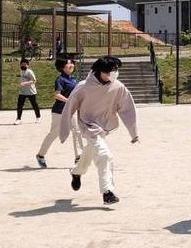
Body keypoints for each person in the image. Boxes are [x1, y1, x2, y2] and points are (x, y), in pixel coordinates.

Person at [61, 56, 139, 205]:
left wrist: (134, 133)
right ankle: (107, 192)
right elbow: (69, 107)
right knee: (104, 155)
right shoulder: (83, 87)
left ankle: (76, 172)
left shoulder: (118, 87)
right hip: (87, 125)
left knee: (91, 150)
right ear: (99, 71)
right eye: (109, 72)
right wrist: (64, 130)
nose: (112, 75)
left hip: (104, 127)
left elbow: (127, 109)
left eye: (115, 71)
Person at [35, 57, 84, 168]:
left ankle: (79, 157)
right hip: (59, 111)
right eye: (68, 63)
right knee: (54, 134)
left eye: (72, 63)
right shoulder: (60, 79)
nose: (71, 65)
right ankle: (40, 155)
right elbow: (57, 94)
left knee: (77, 131)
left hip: (71, 111)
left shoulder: (73, 79)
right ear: (62, 67)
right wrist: (69, 101)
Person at [14, 58, 41, 124]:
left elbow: (34, 81)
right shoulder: (21, 71)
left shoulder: (29, 72)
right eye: (22, 64)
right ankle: (18, 119)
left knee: (34, 104)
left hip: (31, 92)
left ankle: (38, 117)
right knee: (19, 105)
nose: (23, 66)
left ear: (28, 65)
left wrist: (25, 83)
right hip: (22, 92)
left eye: (25, 64)